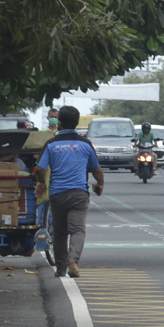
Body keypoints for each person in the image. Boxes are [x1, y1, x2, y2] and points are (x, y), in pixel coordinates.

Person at [33, 106, 104, 278]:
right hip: (79, 194)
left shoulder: (51, 144)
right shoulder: (85, 144)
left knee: (60, 233)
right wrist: (99, 184)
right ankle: (73, 261)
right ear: (77, 122)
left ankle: (60, 269)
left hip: (57, 194)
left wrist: (41, 183)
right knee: (78, 230)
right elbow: (96, 169)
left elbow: (40, 169)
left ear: (59, 123)